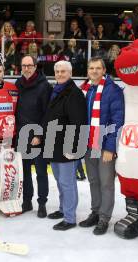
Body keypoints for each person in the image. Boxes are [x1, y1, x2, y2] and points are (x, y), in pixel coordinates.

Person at [78, 57, 124, 235]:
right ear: (88, 71)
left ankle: (104, 218)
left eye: (98, 68)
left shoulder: (113, 91)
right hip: (90, 144)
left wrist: (110, 148)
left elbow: (117, 120)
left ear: (104, 70)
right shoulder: (86, 90)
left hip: (104, 145)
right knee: (93, 181)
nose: (94, 71)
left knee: (106, 183)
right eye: (91, 68)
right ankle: (95, 212)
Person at [42, 60, 87, 231]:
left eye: (63, 71)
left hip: (66, 147)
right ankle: (63, 210)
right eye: (57, 71)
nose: (60, 74)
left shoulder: (74, 94)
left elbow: (79, 123)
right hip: (53, 144)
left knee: (67, 183)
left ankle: (69, 218)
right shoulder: (56, 90)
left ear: (70, 73)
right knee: (60, 182)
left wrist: (74, 148)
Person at [15, 55, 51, 218]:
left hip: (38, 137)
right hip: (22, 135)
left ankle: (42, 203)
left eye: (30, 65)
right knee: (25, 172)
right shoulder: (18, 84)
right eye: (24, 66)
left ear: (36, 67)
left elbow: (47, 113)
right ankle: (26, 201)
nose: (27, 68)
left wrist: (40, 135)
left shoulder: (44, 86)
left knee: (41, 172)